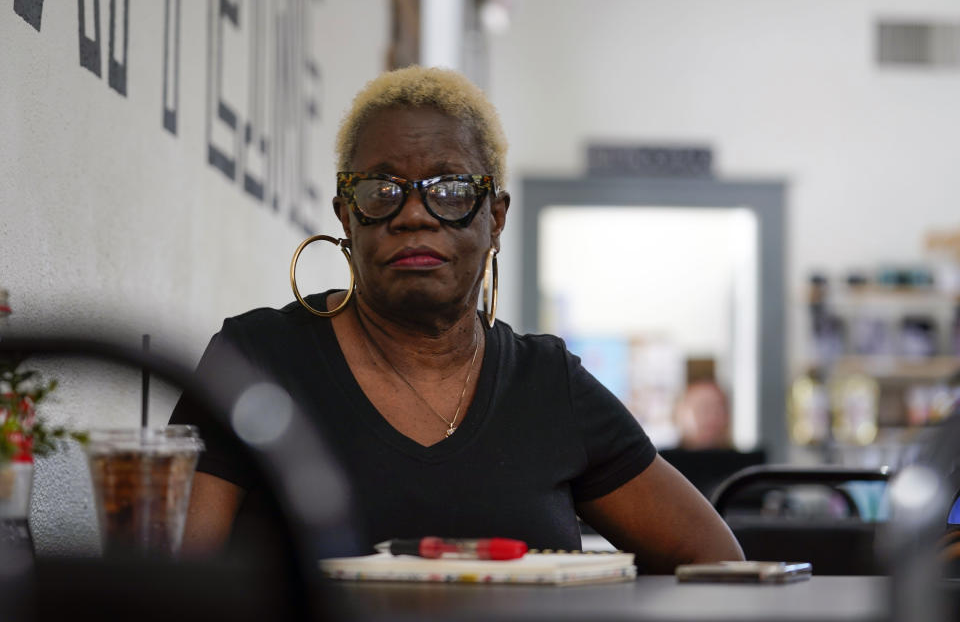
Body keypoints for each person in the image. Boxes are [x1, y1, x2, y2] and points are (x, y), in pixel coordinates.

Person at [170, 66, 743, 573]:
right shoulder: (255, 360)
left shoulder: (549, 384)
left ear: (495, 217)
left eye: (450, 190)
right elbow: (169, 582)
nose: (414, 214)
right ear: (347, 216)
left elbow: (713, 558)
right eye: (381, 189)